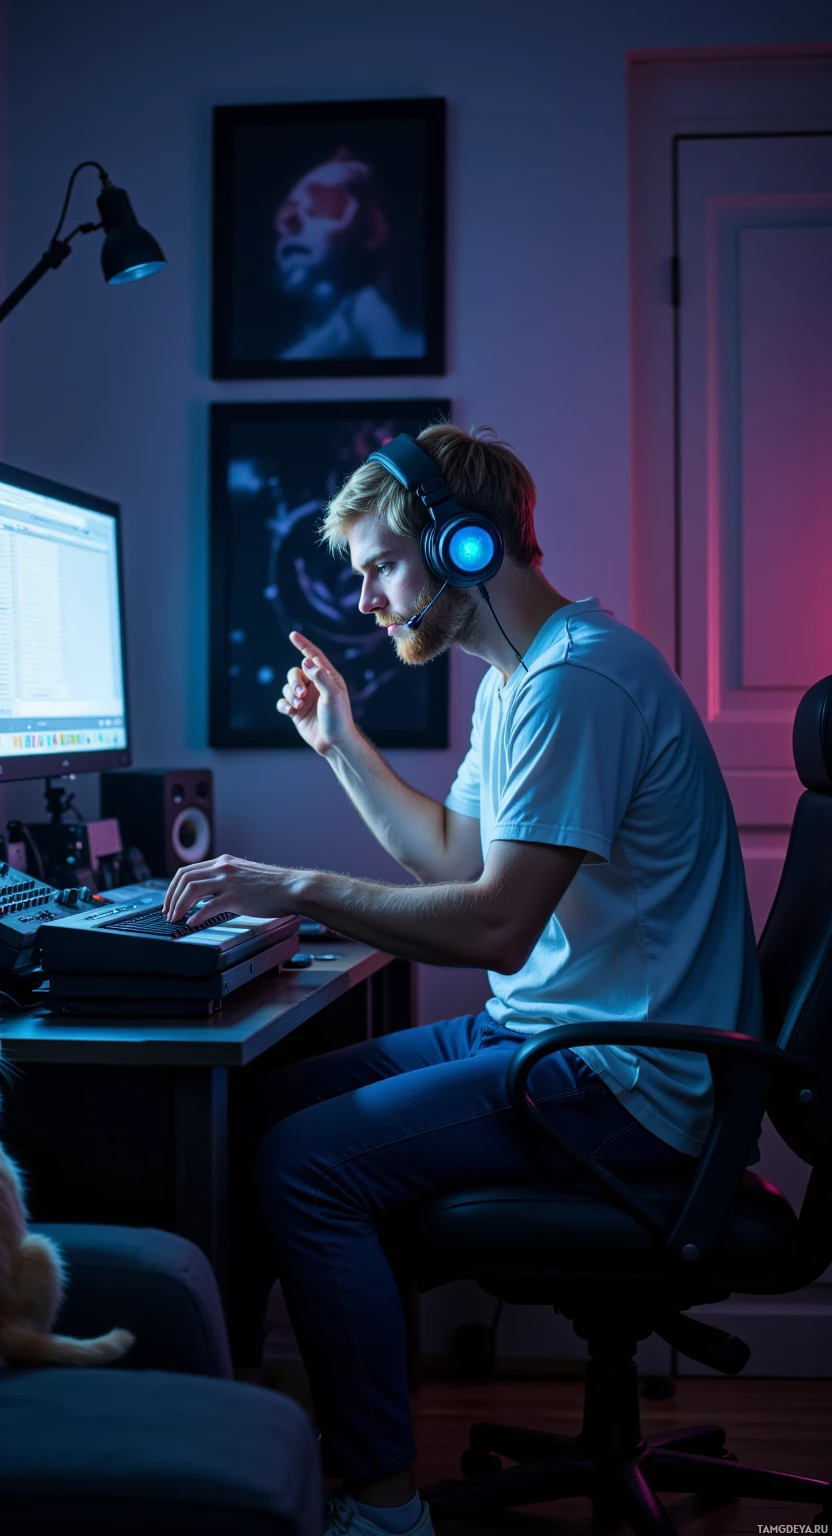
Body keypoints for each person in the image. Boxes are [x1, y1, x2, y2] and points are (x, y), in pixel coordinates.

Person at [162, 423, 763, 1536]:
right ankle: (237, 1429)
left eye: (384, 565)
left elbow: (492, 923)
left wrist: (293, 887)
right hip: (553, 1039)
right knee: (258, 1114)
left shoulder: (578, 685)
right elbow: (453, 860)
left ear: (467, 546)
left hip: (624, 1081)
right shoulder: (519, 679)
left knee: (302, 1167)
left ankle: (382, 1506)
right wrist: (340, 744)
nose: (371, 601)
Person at [272, 148, 423, 361]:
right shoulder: (311, 326)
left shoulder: (366, 309)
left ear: (374, 230)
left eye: (322, 206)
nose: (291, 224)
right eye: (289, 211)